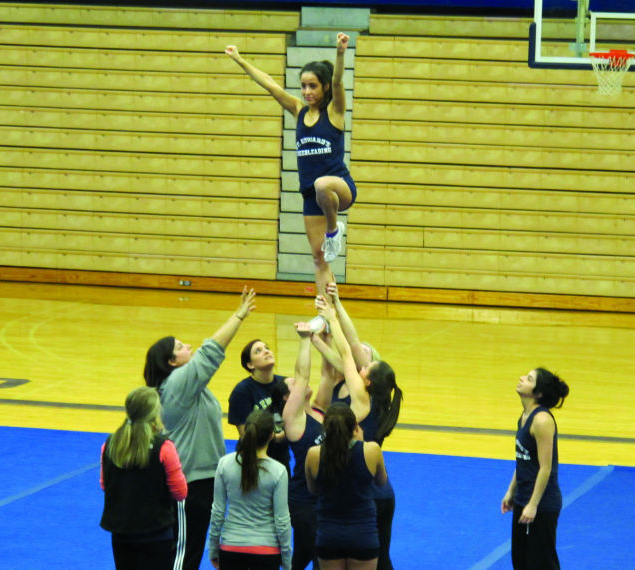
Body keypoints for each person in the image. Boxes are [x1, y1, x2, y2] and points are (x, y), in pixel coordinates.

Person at [226, 33, 356, 295]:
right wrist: (240, 60)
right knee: (320, 259)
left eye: (313, 86)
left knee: (321, 184)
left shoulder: (335, 113)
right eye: (304, 86)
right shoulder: (299, 111)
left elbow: (339, 80)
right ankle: (326, 313)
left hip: (339, 189)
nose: (307, 92)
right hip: (312, 197)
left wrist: (340, 53)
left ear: (325, 88)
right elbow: (271, 85)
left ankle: (333, 231)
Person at [143, 287, 256, 570]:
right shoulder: (178, 384)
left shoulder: (191, 387)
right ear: (171, 362)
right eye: (181, 347)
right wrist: (239, 315)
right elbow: (211, 351)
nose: (189, 348)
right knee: (183, 556)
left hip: (203, 482)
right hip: (188, 485)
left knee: (190, 551)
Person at [314, 293, 402, 570]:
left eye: (366, 368)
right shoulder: (378, 398)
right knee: (380, 558)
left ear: (369, 380)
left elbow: (346, 350)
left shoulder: (361, 398)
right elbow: (349, 348)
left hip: (366, 493)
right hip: (380, 491)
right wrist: (336, 306)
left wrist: (331, 318)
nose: (361, 368)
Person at [100, 386, 188, 570]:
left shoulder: (110, 443)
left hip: (122, 532)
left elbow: (104, 484)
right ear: (155, 413)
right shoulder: (164, 447)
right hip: (156, 532)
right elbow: (180, 492)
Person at [501, 368, 570, 570]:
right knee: (520, 561)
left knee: (542, 564)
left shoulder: (542, 421)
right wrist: (511, 491)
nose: (521, 378)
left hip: (542, 504)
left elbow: (545, 468)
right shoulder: (524, 416)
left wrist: (533, 505)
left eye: (529, 378)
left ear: (538, 393)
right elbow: (523, 459)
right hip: (523, 499)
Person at [305, 403, 388, 570]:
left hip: (329, 535)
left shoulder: (314, 454)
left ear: (326, 428)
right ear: (355, 428)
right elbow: (381, 482)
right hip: (363, 534)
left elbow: (313, 490)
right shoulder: (371, 450)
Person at [274, 320, 329, 570]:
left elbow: (330, 373)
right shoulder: (293, 419)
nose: (298, 382)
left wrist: (326, 329)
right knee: (320, 553)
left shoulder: (318, 410)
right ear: (287, 398)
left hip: (324, 495)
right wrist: (304, 340)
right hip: (302, 499)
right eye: (292, 384)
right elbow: (303, 374)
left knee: (304, 554)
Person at [208, 409, 292, 570]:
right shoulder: (278, 471)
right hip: (266, 551)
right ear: (271, 436)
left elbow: (217, 511)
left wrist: (213, 550)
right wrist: (287, 560)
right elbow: (282, 520)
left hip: (231, 548)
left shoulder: (225, 464)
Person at [228, 338, 292, 473]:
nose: (266, 351)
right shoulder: (242, 391)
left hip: (281, 458)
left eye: (267, 347)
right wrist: (275, 437)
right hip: (253, 460)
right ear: (250, 364)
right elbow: (245, 435)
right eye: (258, 351)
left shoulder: (284, 383)